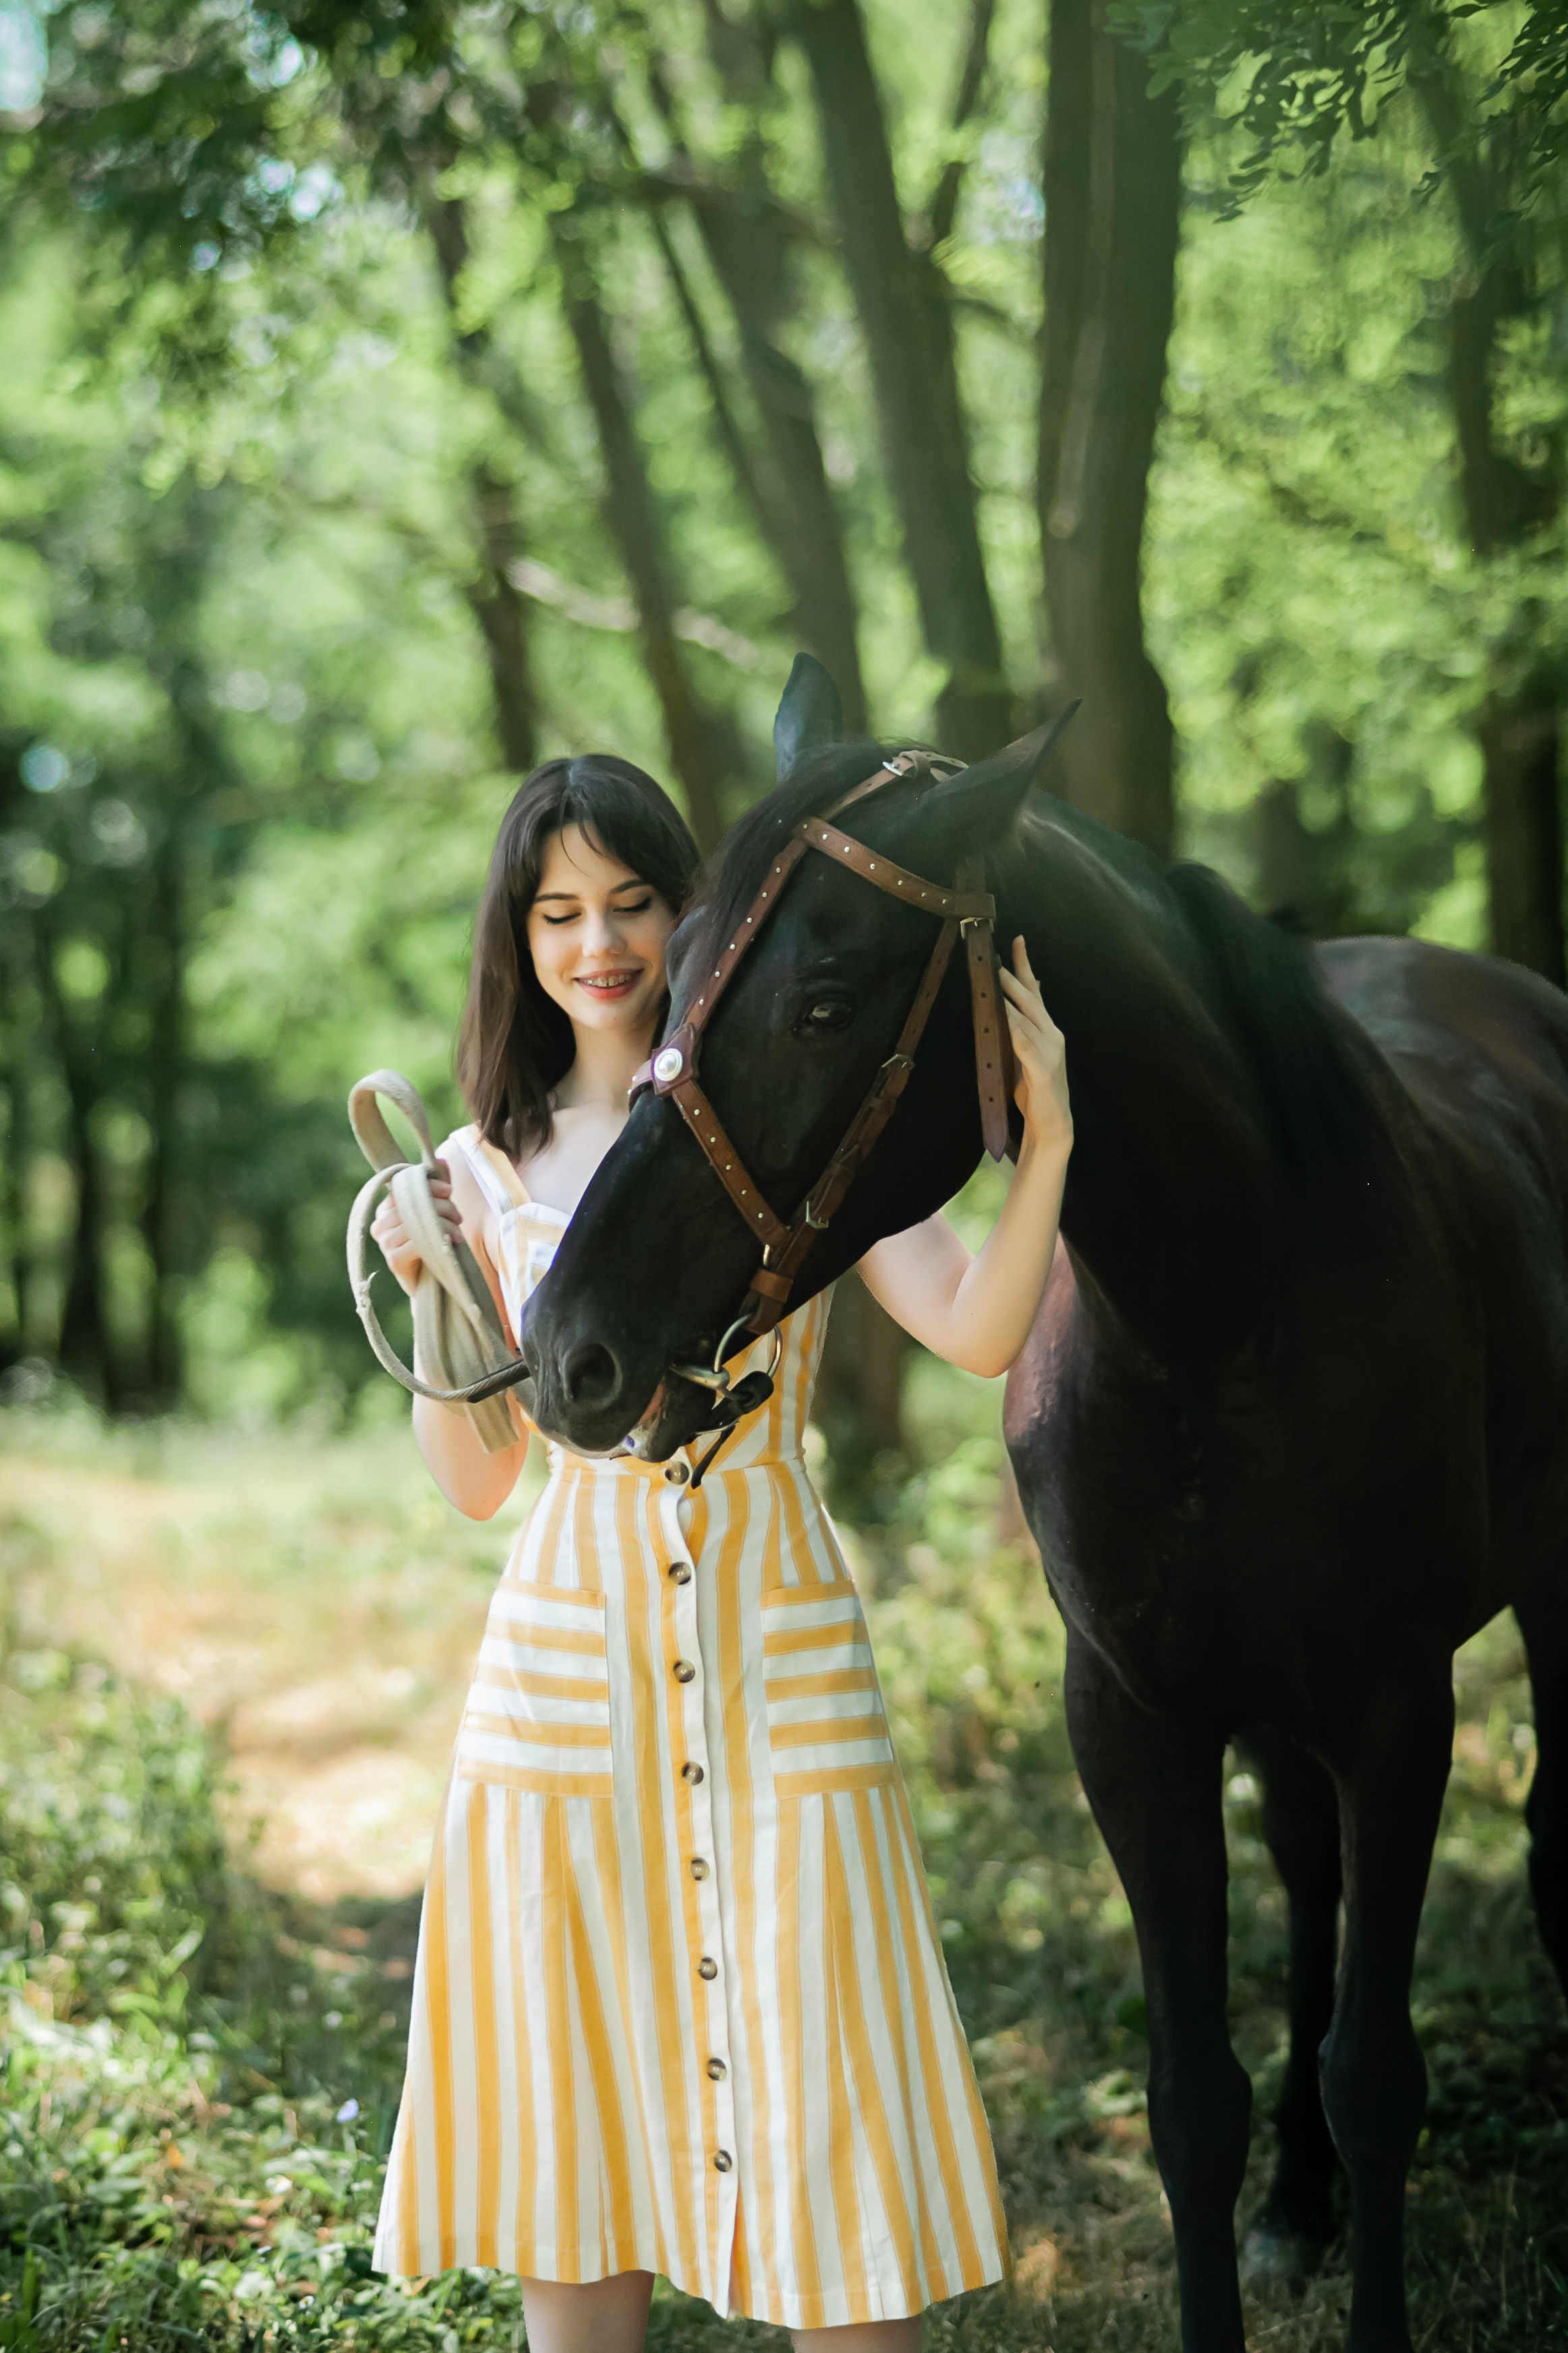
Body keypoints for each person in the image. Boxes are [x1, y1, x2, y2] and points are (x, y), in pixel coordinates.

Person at [368, 751, 1073, 2353]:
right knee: (570, 2130)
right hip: (565, 1687)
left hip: (780, 1661)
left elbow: (973, 1330)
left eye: (628, 901)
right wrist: (435, 1284)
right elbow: (481, 1478)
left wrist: (1043, 1147)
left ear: (694, 915)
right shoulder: (489, 1167)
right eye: (556, 912)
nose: (595, 942)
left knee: (833, 2121)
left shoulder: (788, 1104)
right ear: (517, 938)